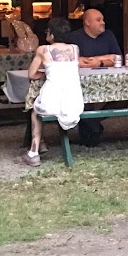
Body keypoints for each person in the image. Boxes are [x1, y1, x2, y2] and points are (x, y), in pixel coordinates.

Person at [24, 22, 81, 167]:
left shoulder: (43, 50)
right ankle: (38, 147)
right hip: (73, 101)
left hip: (52, 98)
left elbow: (31, 74)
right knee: (40, 108)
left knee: (35, 111)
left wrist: (45, 75)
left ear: (52, 35)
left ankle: (34, 151)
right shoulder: (75, 49)